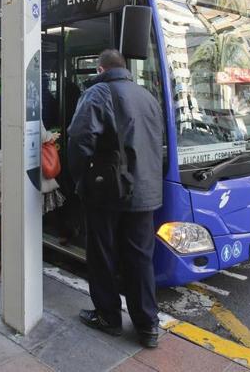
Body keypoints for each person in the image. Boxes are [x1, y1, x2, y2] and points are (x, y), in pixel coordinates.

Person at [67, 49, 164, 349]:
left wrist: (81, 180)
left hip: (108, 192)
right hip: (146, 192)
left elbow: (79, 139)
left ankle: (108, 317)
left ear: (100, 68)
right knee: (140, 258)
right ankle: (148, 326)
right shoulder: (147, 95)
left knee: (102, 254)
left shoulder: (98, 93)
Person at [0, 125, 64, 272]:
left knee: (2, 214)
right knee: (43, 203)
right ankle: (63, 233)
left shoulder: (3, 108)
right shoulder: (29, 103)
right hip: (26, 165)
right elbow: (39, 134)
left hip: (4, 164)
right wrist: (51, 136)